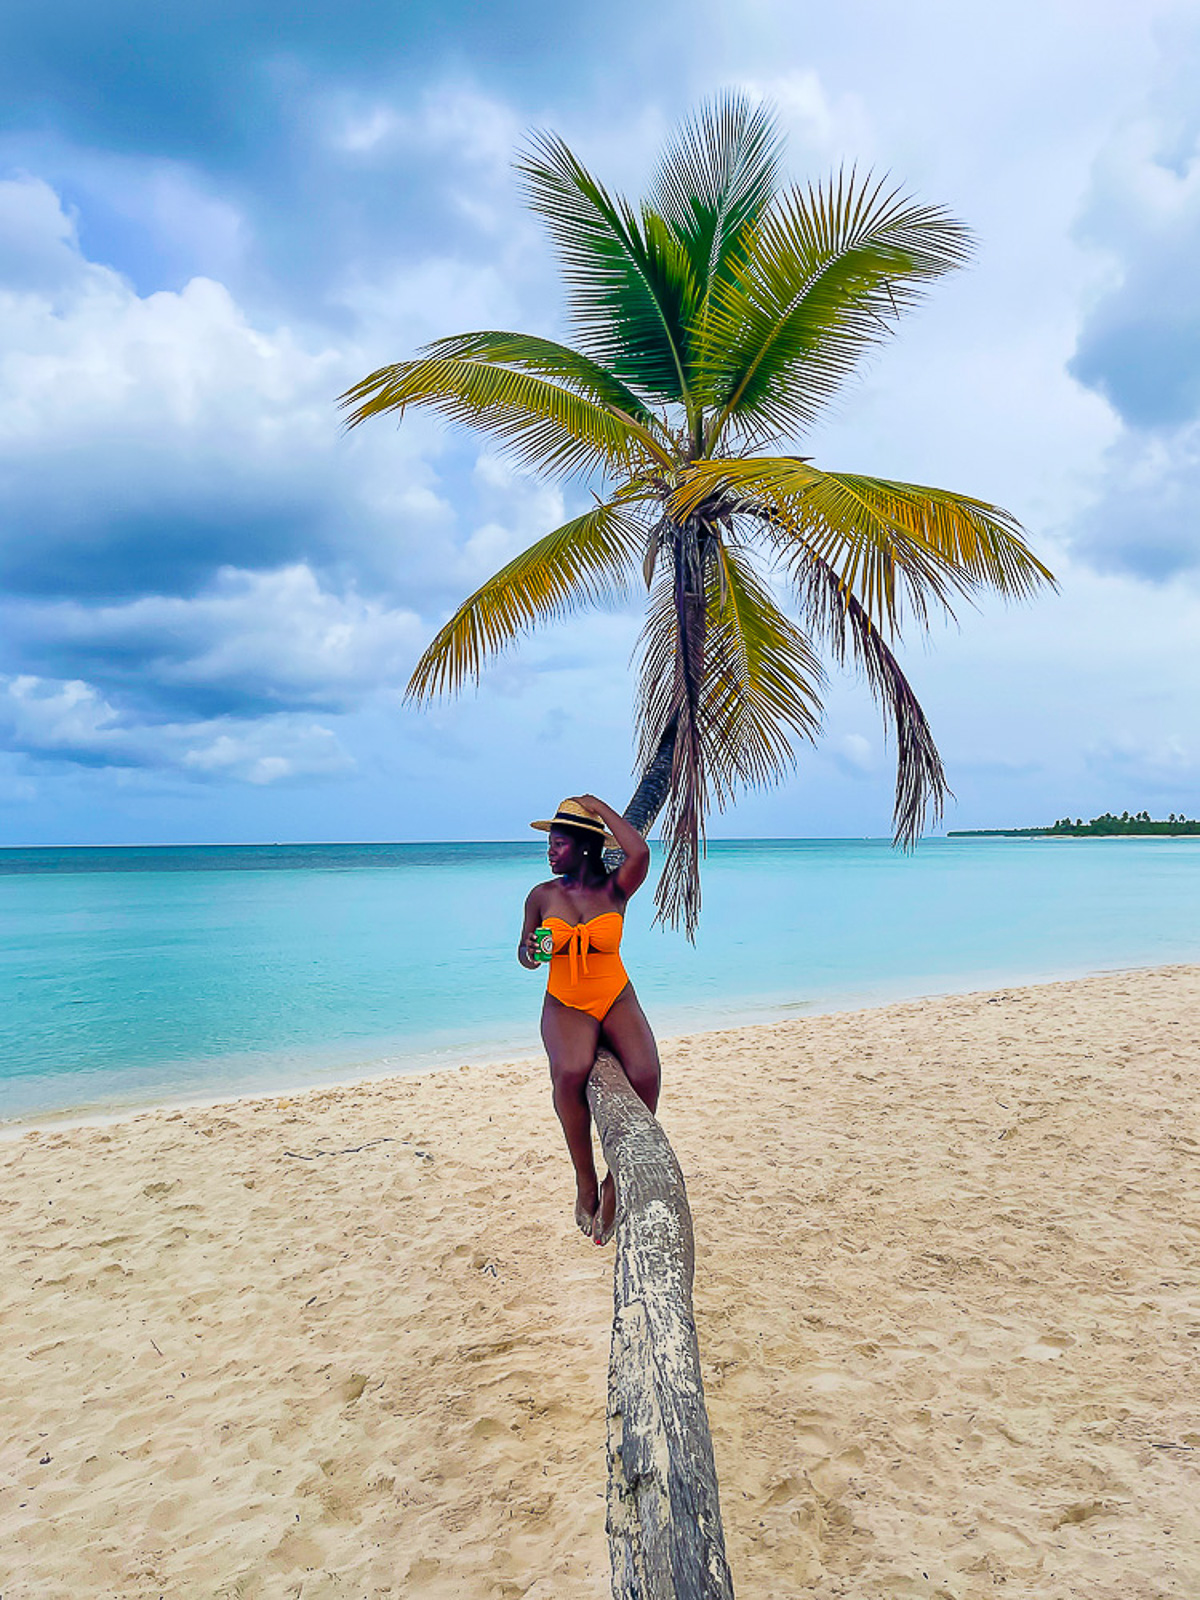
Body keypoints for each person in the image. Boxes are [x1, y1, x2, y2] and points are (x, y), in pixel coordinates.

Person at [518, 794, 661, 1244]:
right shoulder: (542, 895)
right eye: (549, 845)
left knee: (646, 1075)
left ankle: (614, 1182)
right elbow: (523, 954)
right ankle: (584, 1178)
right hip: (566, 1002)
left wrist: (598, 809)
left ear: (583, 846)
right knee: (571, 1071)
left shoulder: (614, 889)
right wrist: (535, 952)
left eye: (557, 843)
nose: (550, 852)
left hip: (615, 994)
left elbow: (639, 851)